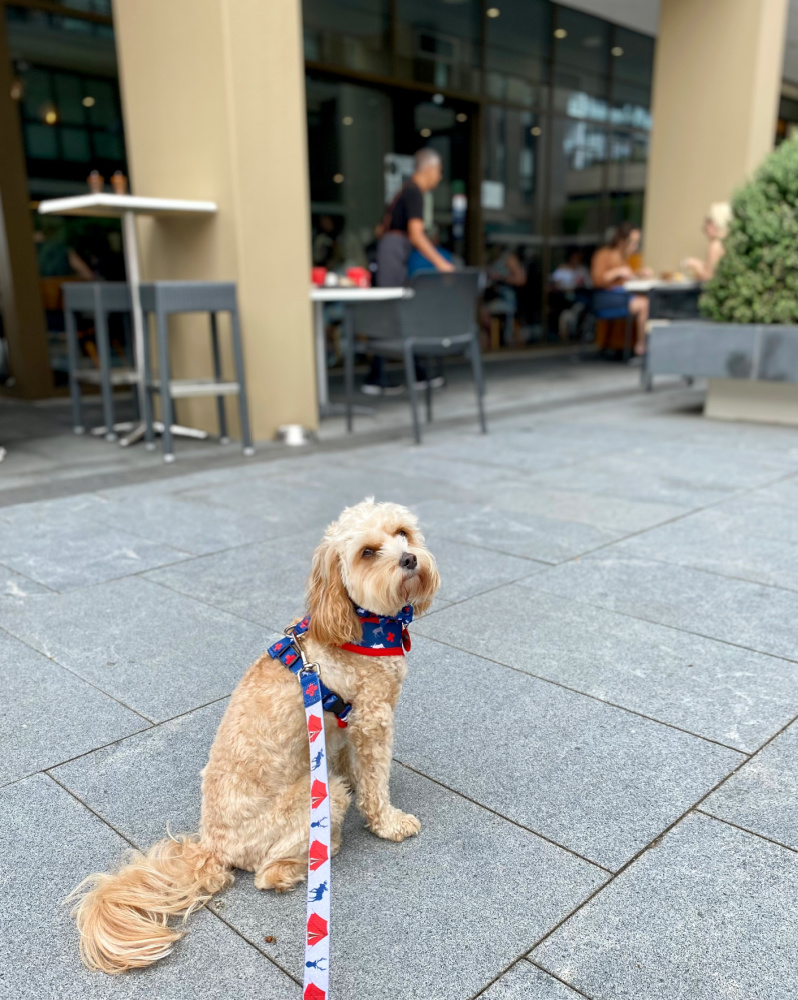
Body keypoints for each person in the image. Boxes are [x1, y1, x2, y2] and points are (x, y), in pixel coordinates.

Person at [363, 148, 453, 394]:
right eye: (439, 171)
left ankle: (411, 374)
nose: (439, 177)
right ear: (430, 169)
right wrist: (440, 262)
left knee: (394, 312)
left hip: (390, 252)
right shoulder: (414, 193)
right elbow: (416, 234)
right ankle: (378, 377)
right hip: (393, 254)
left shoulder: (404, 191)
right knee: (392, 312)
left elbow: (380, 230)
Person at [591, 222, 650, 356]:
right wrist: (617, 272)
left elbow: (624, 281)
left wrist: (638, 274)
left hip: (620, 296)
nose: (634, 247)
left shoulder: (624, 259)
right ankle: (641, 347)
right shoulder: (604, 254)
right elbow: (597, 279)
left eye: (637, 243)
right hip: (604, 298)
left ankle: (640, 345)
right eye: (632, 242)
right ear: (621, 240)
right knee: (644, 304)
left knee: (648, 301)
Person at [683, 202, 732, 281]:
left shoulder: (716, 244)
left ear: (715, 224)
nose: (705, 227)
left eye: (708, 222)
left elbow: (709, 277)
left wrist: (695, 265)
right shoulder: (728, 242)